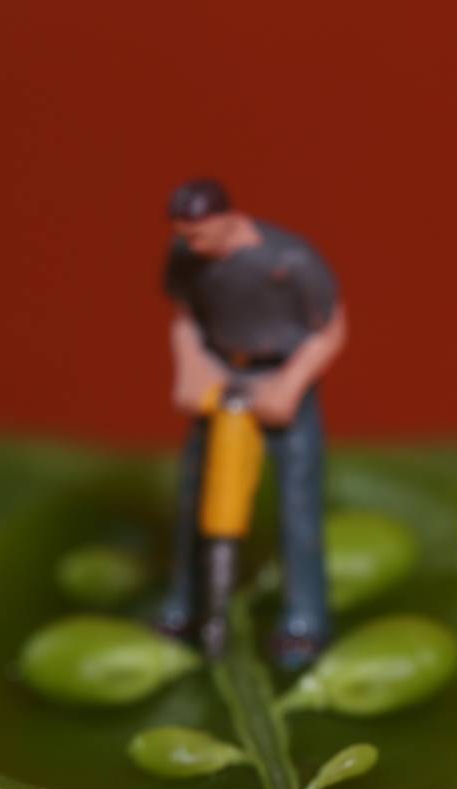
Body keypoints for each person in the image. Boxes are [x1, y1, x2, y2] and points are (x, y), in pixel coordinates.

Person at [155, 178, 347, 668]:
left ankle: (305, 620)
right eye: (185, 235)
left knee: (297, 506)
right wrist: (192, 368)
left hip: (280, 378)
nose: (191, 244)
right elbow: (184, 316)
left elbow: (331, 330)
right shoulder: (186, 256)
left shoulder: (289, 260)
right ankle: (185, 606)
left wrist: (288, 386)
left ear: (228, 218)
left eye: (200, 234)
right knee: (197, 497)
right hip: (221, 374)